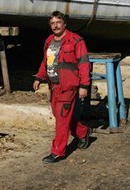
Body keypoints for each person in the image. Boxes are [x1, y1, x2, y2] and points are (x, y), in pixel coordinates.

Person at [33, 11, 92, 163]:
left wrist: (84, 85)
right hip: (54, 87)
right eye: (52, 23)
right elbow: (46, 61)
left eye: (58, 22)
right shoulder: (49, 41)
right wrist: (39, 77)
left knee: (61, 119)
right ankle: (83, 132)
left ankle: (58, 152)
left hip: (69, 86)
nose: (55, 25)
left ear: (64, 23)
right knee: (63, 116)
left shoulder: (76, 40)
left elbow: (84, 64)